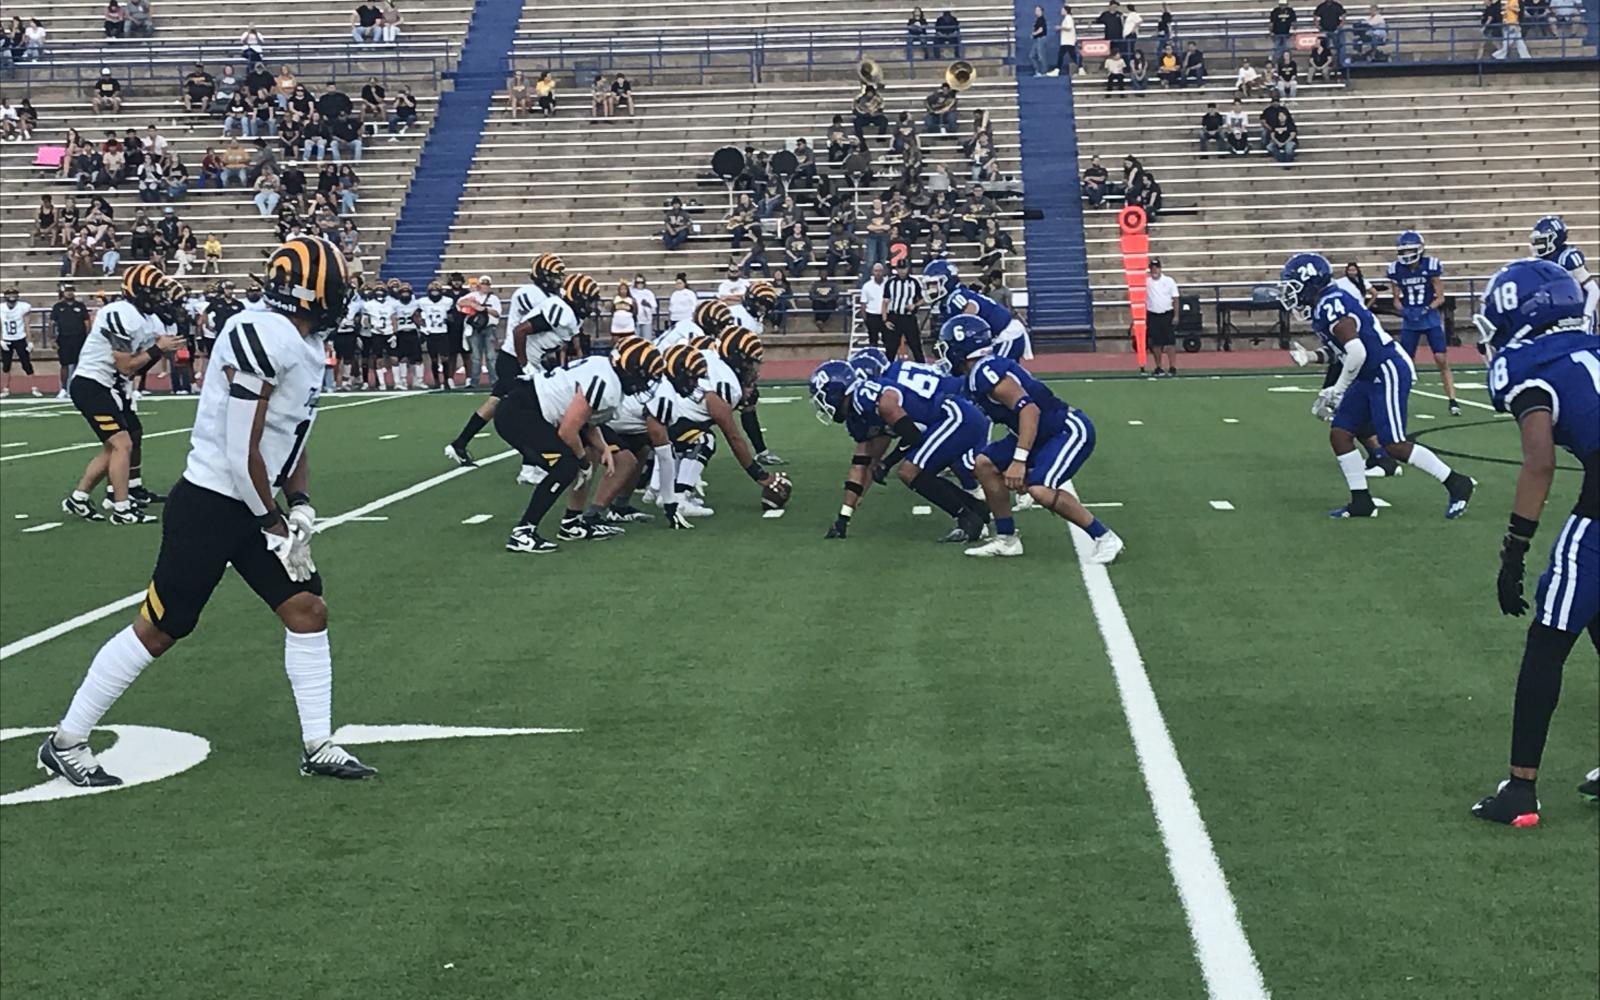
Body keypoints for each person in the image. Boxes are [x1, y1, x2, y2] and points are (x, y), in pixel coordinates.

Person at [39, 238, 378, 789]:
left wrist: (301, 504)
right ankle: (66, 741)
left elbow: (291, 437)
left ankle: (319, 742)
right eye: (338, 287)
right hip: (213, 504)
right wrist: (272, 524)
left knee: (307, 610)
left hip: (253, 502)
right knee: (161, 628)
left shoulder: (303, 340)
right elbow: (240, 445)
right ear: (312, 293)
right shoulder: (262, 336)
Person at [1467, 258, 1599, 827]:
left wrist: (1514, 549)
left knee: (1547, 642)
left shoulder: (1527, 361)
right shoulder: (1590, 344)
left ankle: (1521, 791)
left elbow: (1539, 461)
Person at [1278, 252, 1476, 519]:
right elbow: (1343, 350)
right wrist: (1311, 356)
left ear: (1310, 283)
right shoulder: (1325, 304)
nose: (1289, 293)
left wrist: (1337, 390)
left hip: (1385, 369)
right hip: (1368, 372)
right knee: (1341, 433)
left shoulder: (1330, 304)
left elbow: (1357, 352)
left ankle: (1456, 483)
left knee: (1394, 443)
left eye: (1294, 285)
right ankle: (1361, 501)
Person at [940, 313, 1124, 562]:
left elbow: (1029, 410)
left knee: (1040, 489)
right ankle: (1007, 539)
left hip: (1064, 430)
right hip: (1037, 433)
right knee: (984, 464)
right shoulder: (978, 374)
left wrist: (1019, 460)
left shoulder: (986, 372)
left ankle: (1105, 537)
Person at [813, 356, 989, 543]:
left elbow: (912, 434)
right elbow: (861, 465)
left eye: (821, 395)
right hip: (943, 421)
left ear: (835, 391)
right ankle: (978, 510)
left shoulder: (865, 397)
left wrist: (887, 463)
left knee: (909, 471)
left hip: (954, 416)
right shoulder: (857, 417)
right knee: (916, 471)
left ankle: (969, 519)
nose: (820, 404)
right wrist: (843, 518)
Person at [444, 258, 561, 466]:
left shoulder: (548, 295)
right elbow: (530, 327)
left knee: (495, 401)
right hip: (518, 357)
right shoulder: (530, 294)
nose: (558, 280)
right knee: (533, 409)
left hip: (521, 357)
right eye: (554, 275)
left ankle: (460, 443)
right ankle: (531, 464)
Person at [1377, 231, 1459, 414]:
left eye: (1410, 251)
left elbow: (1440, 297)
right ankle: (1400, 399)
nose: (1406, 256)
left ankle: (1453, 400)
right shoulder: (1395, 270)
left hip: (1429, 317)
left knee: (1441, 358)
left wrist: (1426, 309)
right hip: (1410, 320)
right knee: (1406, 362)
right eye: (1403, 252)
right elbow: (1396, 299)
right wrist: (1404, 310)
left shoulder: (1430, 266)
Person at [1529, 216, 1600, 332]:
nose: (1538, 245)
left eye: (1542, 241)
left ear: (1555, 238)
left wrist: (1586, 316)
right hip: (1559, 314)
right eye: (1537, 241)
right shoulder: (1540, 261)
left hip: (1579, 312)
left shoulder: (1567, 258)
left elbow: (1593, 290)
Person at [51, 284, 91, 396]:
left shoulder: (80, 306)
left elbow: (87, 322)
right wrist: (53, 339)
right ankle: (63, 388)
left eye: (71, 291)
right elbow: (52, 323)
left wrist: (87, 337)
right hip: (64, 338)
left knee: (80, 364)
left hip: (79, 338)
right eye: (67, 291)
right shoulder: (58, 307)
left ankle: (78, 388)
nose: (69, 293)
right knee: (64, 364)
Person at [882, 258, 925, 362]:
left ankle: (923, 368)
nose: (902, 271)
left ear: (908, 268)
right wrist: (885, 320)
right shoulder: (890, 282)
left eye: (904, 268)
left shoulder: (914, 282)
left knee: (916, 346)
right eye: (900, 269)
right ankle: (888, 371)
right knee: (891, 349)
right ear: (896, 269)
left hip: (908, 317)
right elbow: (885, 302)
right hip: (894, 317)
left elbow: (924, 298)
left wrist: (915, 305)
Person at [0, 288, 38, 397]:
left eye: (13, 294)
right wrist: (1, 339)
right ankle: (6, 388)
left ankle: (34, 387)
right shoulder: (1, 308)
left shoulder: (23, 307)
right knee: (6, 365)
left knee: (26, 364)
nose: (11, 296)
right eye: (9, 294)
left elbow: (27, 324)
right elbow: (1, 325)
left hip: (20, 338)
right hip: (7, 339)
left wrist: (30, 341)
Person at [1262, 96, 1298, 163]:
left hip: (1288, 141)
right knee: (1269, 147)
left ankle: (1288, 161)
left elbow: (1292, 135)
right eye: (1280, 116)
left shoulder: (1290, 124)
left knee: (1289, 149)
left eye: (1282, 116)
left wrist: (1284, 143)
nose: (1281, 117)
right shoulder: (1275, 124)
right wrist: (1278, 143)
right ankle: (1282, 159)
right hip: (1278, 142)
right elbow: (1272, 135)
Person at [1314, 0, 1346, 64]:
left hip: (1335, 31)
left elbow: (1343, 14)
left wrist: (1341, 24)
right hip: (1324, 30)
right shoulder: (1321, 6)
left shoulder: (1337, 5)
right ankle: (1326, 62)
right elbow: (1315, 15)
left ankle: (1339, 62)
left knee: (1338, 47)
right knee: (1325, 47)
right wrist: (1317, 25)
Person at [1055, 4, 1083, 74]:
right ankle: (1081, 68)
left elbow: (1069, 27)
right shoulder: (1066, 18)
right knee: (1072, 56)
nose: (1061, 11)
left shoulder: (1068, 18)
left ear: (1066, 11)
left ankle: (1057, 69)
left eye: (1062, 10)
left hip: (1068, 41)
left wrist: (1060, 27)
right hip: (1066, 41)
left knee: (1061, 55)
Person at [1029, 5, 1052, 76]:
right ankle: (1038, 71)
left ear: (1041, 11)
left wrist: (1034, 34)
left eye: (1037, 10)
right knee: (1032, 56)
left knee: (1041, 56)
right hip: (1037, 39)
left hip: (1041, 39)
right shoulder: (1038, 19)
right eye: (1035, 10)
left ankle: (1044, 72)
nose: (1036, 12)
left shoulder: (1041, 19)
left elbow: (1041, 29)